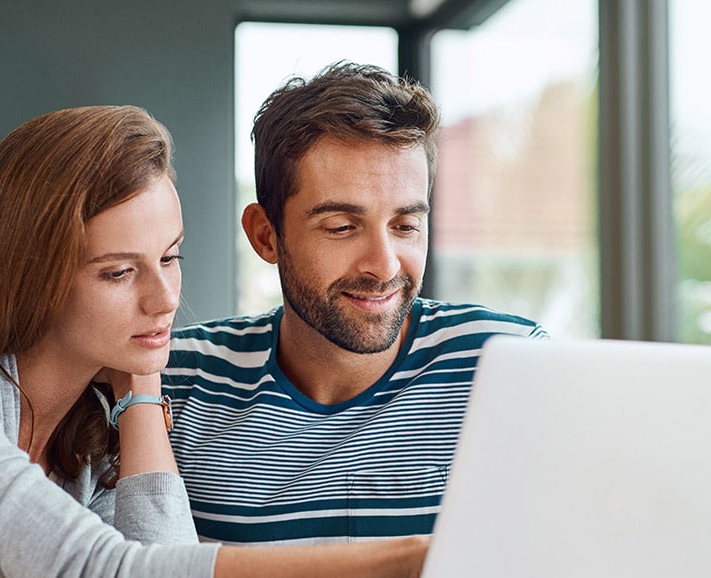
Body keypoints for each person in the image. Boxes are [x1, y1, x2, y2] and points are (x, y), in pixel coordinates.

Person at [0, 106, 427, 577]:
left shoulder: (84, 444)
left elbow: (153, 562)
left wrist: (141, 387)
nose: (165, 299)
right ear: (33, 273)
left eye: (171, 258)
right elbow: (90, 568)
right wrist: (411, 558)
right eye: (119, 272)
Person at [163, 62, 548, 545]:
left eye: (406, 225)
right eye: (342, 227)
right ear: (266, 235)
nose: (383, 266)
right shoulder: (178, 378)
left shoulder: (510, 362)